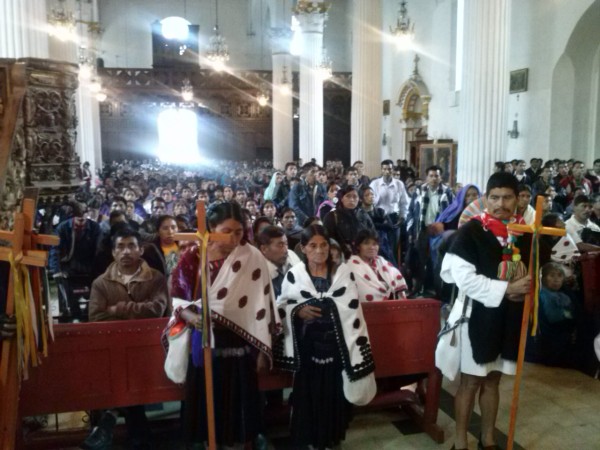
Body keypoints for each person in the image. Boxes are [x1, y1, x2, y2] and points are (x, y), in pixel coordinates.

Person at [167, 202, 278, 449]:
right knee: (207, 401)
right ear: (211, 228)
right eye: (226, 231)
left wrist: (262, 350)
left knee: (238, 403)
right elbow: (178, 298)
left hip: (241, 344)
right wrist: (187, 314)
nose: (233, 238)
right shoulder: (193, 256)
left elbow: (263, 306)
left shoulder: (251, 256)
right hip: (205, 341)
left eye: (239, 232)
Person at [437, 172, 532, 450]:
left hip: (508, 318)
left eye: (507, 197)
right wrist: (508, 289)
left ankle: (488, 439)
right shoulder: (471, 232)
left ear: (517, 200)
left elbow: (534, 268)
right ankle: (461, 440)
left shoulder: (525, 234)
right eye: (494, 197)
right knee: (471, 381)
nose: (500, 203)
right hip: (475, 317)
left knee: (493, 380)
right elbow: (464, 279)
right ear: (486, 199)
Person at [275, 225, 376, 450]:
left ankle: (331, 440)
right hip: (308, 352)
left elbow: (351, 309)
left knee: (333, 397)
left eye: (324, 245)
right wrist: (298, 310)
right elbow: (282, 305)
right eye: (313, 246)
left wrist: (326, 304)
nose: (319, 251)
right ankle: (309, 441)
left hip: (336, 350)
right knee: (308, 398)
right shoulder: (295, 275)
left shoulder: (342, 273)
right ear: (303, 248)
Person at [83, 228, 170, 450]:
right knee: (121, 375)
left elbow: (157, 310)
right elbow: (96, 317)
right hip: (114, 350)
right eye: (120, 247)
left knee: (133, 375)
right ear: (113, 253)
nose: (126, 251)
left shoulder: (156, 278)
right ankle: (136, 434)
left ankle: (109, 421)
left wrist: (118, 308)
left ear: (141, 250)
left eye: (131, 246)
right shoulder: (101, 284)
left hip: (148, 348)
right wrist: (131, 311)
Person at [535, 262, 577, 367]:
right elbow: (554, 317)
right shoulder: (543, 295)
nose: (556, 279)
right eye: (552, 275)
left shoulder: (563, 295)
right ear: (543, 278)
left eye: (559, 275)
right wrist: (568, 315)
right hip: (550, 339)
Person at [348, 229, 407, 301]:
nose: (372, 247)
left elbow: (398, 280)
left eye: (375, 244)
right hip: (364, 310)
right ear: (358, 246)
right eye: (366, 243)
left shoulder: (382, 262)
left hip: (390, 309)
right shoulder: (351, 267)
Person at [322, 185, 376, 258]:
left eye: (355, 197)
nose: (352, 199)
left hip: (362, 256)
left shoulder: (363, 215)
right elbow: (328, 239)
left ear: (359, 199)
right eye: (348, 196)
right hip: (340, 257)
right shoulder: (332, 216)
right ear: (341, 198)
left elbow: (372, 235)